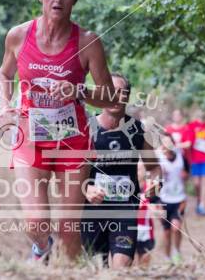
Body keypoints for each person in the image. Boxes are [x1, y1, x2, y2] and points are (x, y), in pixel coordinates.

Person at [0, 0, 118, 261]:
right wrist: (4, 105)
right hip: (30, 139)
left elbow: (110, 98)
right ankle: (41, 249)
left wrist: (77, 91)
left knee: (68, 228)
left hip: (72, 142)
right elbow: (3, 75)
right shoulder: (18, 36)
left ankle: (69, 271)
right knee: (36, 222)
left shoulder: (88, 42)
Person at [81, 73, 161, 269]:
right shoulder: (86, 129)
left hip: (125, 211)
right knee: (97, 269)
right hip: (92, 213)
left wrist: (156, 183)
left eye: (121, 93)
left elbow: (154, 168)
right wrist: (86, 189)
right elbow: (68, 171)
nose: (116, 98)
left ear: (127, 96)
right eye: (109, 93)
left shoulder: (139, 130)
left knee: (121, 267)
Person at [158, 136, 189, 264]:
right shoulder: (158, 159)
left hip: (179, 199)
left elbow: (187, 173)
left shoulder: (181, 157)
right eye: (164, 143)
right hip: (163, 199)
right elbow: (152, 181)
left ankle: (177, 252)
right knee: (166, 232)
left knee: (176, 228)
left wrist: (185, 175)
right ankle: (167, 257)